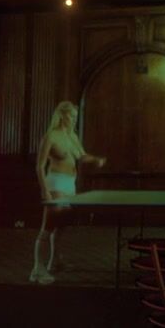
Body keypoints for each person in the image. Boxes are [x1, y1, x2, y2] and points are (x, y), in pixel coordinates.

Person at [29, 100, 105, 285]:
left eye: (76, 116)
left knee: (61, 225)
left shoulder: (72, 136)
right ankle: (37, 270)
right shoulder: (51, 136)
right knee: (48, 227)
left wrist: (95, 160)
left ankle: (54, 261)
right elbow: (39, 166)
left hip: (70, 185)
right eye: (71, 116)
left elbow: (81, 156)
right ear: (62, 115)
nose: (74, 119)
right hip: (55, 184)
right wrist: (44, 190)